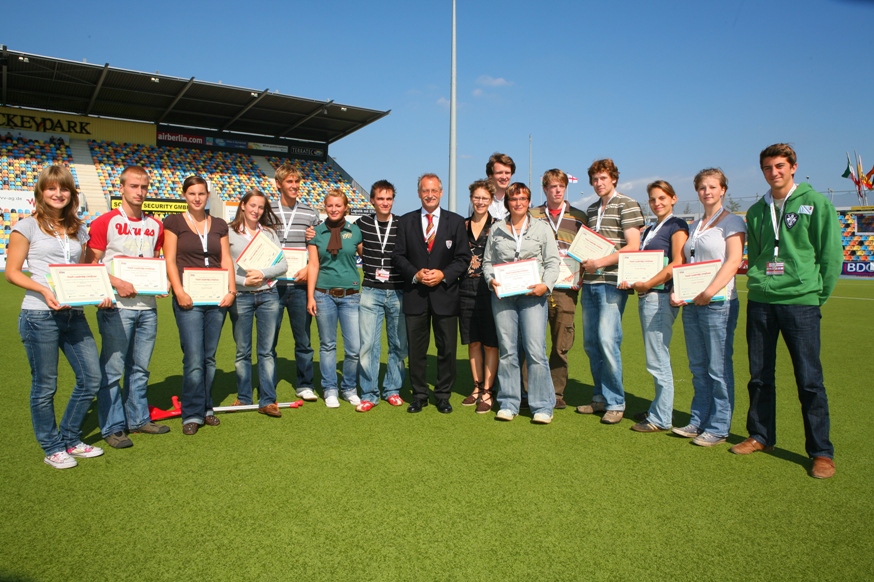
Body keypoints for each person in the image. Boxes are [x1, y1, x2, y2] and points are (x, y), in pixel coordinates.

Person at [733, 144, 842, 479]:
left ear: (793, 167)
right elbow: (761, 252)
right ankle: (762, 436)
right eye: (767, 167)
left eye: (780, 166)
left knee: (809, 379)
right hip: (763, 300)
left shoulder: (816, 203)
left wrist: (815, 294)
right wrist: (760, 282)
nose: (774, 172)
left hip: (800, 302)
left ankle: (821, 452)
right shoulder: (755, 211)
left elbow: (830, 254)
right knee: (760, 375)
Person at [6, 165, 106, 469]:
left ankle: (71, 438)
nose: (58, 194)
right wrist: (44, 291)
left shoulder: (78, 229)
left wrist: (99, 289)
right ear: (41, 192)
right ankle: (52, 447)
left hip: (74, 315)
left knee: (91, 378)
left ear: (71, 194)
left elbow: (87, 269)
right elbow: (12, 273)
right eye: (51, 188)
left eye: (63, 188)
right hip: (40, 314)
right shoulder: (26, 227)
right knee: (45, 385)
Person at [85, 166, 168, 449]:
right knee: (113, 369)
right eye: (134, 186)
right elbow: (89, 264)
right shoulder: (104, 222)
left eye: (144, 187)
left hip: (147, 308)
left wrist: (160, 283)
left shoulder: (156, 225)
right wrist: (115, 282)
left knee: (141, 368)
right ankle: (112, 426)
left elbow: (155, 261)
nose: (140, 192)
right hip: (116, 307)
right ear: (121, 188)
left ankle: (138, 418)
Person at [670, 168, 746, 447]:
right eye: (702, 187)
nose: (707, 192)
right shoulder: (694, 225)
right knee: (698, 366)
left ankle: (719, 425)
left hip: (718, 302)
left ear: (723, 189)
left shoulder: (732, 222)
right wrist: (682, 291)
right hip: (693, 304)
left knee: (718, 367)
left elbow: (733, 261)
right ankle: (698, 419)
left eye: (713, 187)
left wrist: (709, 291)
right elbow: (688, 264)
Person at [392, 173, 472, 414]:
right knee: (416, 351)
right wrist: (416, 274)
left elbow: (463, 258)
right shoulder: (405, 221)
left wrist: (443, 275)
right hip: (415, 294)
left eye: (434, 190)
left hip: (445, 295)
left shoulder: (456, 222)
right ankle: (419, 395)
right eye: (425, 191)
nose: (430, 195)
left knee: (446, 349)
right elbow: (398, 256)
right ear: (418, 193)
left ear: (441, 192)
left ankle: (443, 395)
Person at [164, 176, 236, 435]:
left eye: (201, 194)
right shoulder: (173, 222)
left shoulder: (218, 224)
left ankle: (206, 407)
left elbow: (225, 257)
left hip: (217, 298)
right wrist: (179, 290)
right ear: (185, 195)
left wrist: (232, 290)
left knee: (209, 357)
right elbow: (170, 260)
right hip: (189, 298)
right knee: (194, 357)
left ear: (207, 196)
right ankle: (192, 413)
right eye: (192, 193)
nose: (197, 198)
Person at [483, 182, 560, 423]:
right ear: (507, 202)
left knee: (535, 350)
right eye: (514, 199)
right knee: (508, 350)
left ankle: (542, 406)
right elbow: (487, 262)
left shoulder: (542, 228)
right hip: (504, 297)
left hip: (533, 296)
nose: (518, 203)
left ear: (528, 202)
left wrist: (545, 286)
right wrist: (491, 280)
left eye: (523, 199)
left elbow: (553, 262)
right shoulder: (496, 228)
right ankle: (508, 402)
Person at [575, 159, 644, 424]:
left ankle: (616, 401)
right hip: (591, 283)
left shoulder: (626, 203)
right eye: (594, 179)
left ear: (613, 178)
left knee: (607, 340)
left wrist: (600, 263)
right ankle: (600, 397)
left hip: (612, 283)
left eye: (603, 178)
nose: (598, 183)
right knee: (592, 344)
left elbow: (633, 245)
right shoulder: (592, 209)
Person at [617, 180, 689, 432]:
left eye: (662, 198)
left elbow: (677, 263)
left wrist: (647, 282)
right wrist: (630, 279)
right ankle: (659, 408)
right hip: (647, 296)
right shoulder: (649, 229)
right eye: (652, 199)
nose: (657, 203)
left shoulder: (677, 225)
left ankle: (661, 418)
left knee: (658, 358)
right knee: (654, 356)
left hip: (659, 297)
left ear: (673, 199)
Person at [527, 169, 587, 409]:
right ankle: (528, 390)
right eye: (552, 186)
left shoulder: (579, 216)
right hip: (536, 285)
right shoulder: (532, 214)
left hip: (565, 288)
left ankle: (557, 392)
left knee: (561, 343)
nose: (557, 190)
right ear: (545, 189)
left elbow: (588, 250)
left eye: (561, 186)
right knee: (531, 342)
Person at [227, 189, 288, 418]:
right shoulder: (229, 232)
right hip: (241, 295)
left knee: (267, 351)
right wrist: (244, 280)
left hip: (268, 295)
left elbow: (282, 265)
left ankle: (268, 400)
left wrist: (261, 273)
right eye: (252, 205)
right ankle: (244, 397)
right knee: (242, 351)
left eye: (261, 207)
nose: (256, 211)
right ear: (243, 205)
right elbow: (225, 266)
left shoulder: (269, 233)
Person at [306, 190, 363, 409]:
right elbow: (313, 265)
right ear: (325, 207)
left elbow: (368, 255)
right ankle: (330, 389)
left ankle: (349, 388)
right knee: (327, 345)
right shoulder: (316, 233)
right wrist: (310, 296)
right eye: (330, 205)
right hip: (323, 295)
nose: (334, 209)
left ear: (345, 207)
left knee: (353, 348)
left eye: (338, 205)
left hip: (350, 296)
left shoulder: (355, 231)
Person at [356, 180, 408, 411]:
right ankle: (369, 393)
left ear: (393, 200)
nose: (384, 203)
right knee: (368, 345)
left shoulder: (403, 224)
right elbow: (352, 243)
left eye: (388, 199)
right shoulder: (361, 223)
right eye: (380, 198)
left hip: (398, 290)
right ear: (372, 200)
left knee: (398, 344)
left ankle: (392, 389)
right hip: (370, 290)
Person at [272, 162, 320, 402]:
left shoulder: (310, 212)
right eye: (289, 181)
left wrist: (308, 268)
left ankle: (305, 384)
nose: (294, 186)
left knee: (303, 339)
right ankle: (267, 384)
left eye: (296, 181)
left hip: (300, 285)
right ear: (278, 184)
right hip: (272, 286)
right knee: (269, 339)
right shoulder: (267, 209)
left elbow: (318, 247)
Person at [459, 179, 499, 414]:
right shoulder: (461, 226)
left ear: (491, 200)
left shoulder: (499, 226)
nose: (480, 201)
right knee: (472, 340)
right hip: (464, 289)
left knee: (490, 343)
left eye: (485, 198)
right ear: (471, 198)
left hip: (490, 290)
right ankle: (475, 387)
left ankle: (488, 390)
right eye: (477, 197)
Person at [469, 153, 514, 220]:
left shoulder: (517, 200)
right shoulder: (479, 201)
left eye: (507, 173)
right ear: (490, 175)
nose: (504, 177)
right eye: (499, 173)